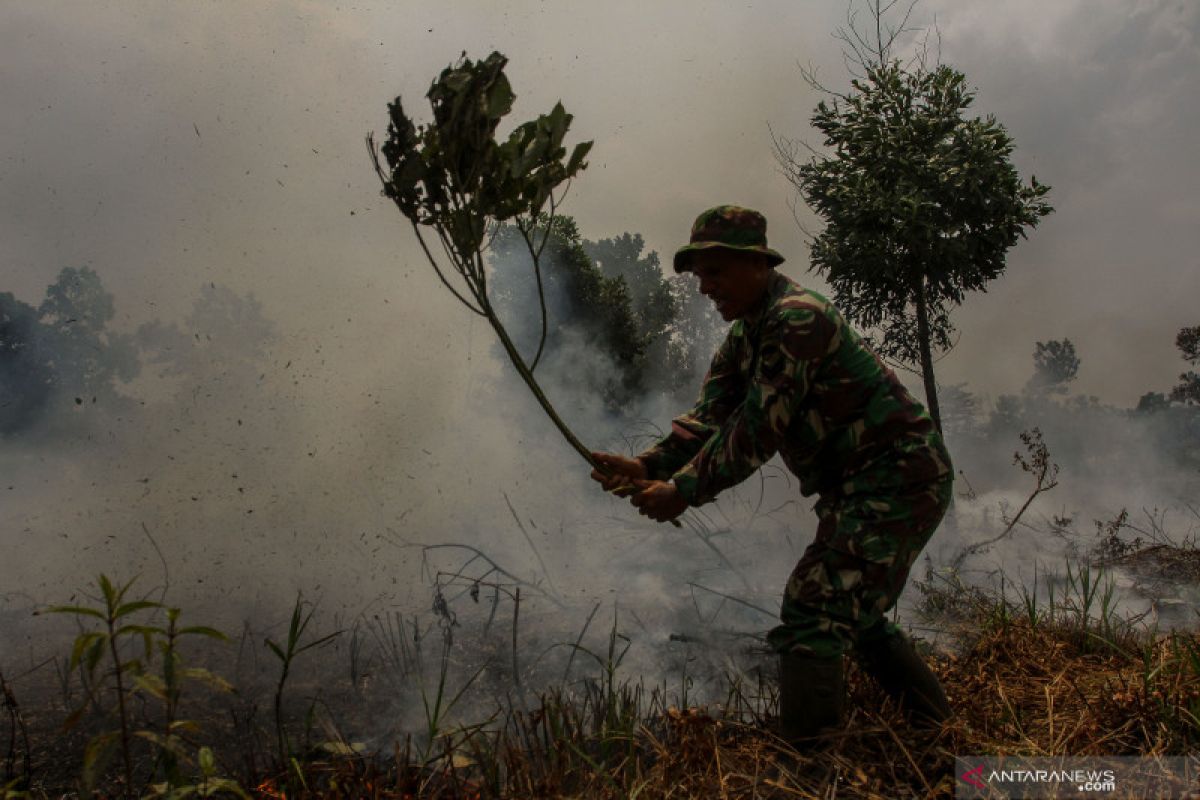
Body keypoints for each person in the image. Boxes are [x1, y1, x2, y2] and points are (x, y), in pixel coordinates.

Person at [590, 205, 954, 744]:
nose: (705, 288)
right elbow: (710, 416)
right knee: (854, 614)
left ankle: (810, 762)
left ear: (756, 264)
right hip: (860, 486)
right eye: (699, 276)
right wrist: (646, 464)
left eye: (715, 272)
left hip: (898, 478)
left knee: (814, 607)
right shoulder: (747, 334)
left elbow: (758, 428)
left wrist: (683, 491)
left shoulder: (796, 319)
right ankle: (935, 729)